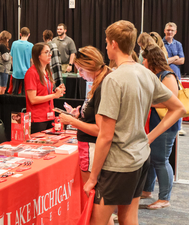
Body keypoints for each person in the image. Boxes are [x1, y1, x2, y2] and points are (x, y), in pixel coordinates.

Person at [83, 20, 185, 225]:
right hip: (140, 158)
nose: (105, 46)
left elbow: (106, 135)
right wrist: (149, 138)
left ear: (113, 44)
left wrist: (92, 178)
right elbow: (178, 108)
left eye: (105, 42)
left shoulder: (114, 79)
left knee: (97, 221)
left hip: (119, 164)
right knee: (128, 217)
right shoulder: (145, 73)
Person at [59, 46, 115, 225]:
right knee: (100, 205)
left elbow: (101, 130)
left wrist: (72, 121)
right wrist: (79, 115)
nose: (80, 74)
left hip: (91, 149)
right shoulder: (99, 82)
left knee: (94, 202)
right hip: (90, 148)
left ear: (91, 65)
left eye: (82, 70)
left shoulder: (103, 86)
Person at [141, 45, 179, 209]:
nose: (143, 62)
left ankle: (164, 198)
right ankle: (148, 190)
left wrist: (148, 103)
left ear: (152, 60)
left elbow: (172, 102)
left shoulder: (167, 76)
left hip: (166, 124)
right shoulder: (157, 75)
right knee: (152, 159)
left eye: (145, 59)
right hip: (157, 123)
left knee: (161, 160)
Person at [24, 42, 65, 134]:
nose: (50, 54)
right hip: (38, 119)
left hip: (50, 116)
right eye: (46, 52)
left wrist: (56, 90)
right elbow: (33, 99)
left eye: (50, 52)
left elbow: (45, 92)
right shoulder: (32, 73)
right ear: (38, 55)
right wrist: (54, 95)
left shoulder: (47, 72)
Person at [163, 22, 186, 136]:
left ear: (175, 32)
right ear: (164, 31)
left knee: (178, 102)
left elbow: (182, 61)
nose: (170, 32)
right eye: (168, 30)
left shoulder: (178, 44)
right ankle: (166, 124)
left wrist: (170, 59)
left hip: (177, 77)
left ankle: (179, 127)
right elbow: (162, 61)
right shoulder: (161, 44)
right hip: (164, 78)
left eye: (172, 30)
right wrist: (175, 57)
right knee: (165, 101)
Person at [10, 27, 34, 95]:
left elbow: (11, 58)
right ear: (29, 34)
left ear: (20, 34)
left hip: (16, 72)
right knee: (25, 94)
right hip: (26, 73)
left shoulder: (14, 43)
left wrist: (14, 68)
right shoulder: (31, 45)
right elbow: (31, 60)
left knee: (14, 93)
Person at [0, 30, 12, 95]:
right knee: (2, 87)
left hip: (1, 68)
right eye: (8, 39)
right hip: (4, 69)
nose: (8, 40)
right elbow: (6, 58)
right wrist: (10, 55)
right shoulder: (2, 46)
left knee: (1, 86)